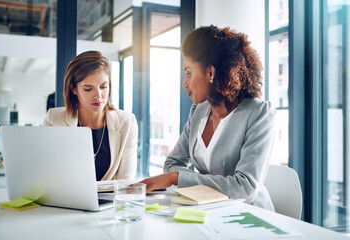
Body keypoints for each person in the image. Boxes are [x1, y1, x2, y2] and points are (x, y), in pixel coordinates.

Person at [141, 25, 276, 210]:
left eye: (188, 73)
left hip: (250, 216)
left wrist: (177, 178)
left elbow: (245, 188)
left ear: (211, 73)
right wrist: (184, 179)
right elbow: (173, 162)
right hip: (208, 211)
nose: (184, 83)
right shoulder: (198, 111)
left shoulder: (259, 113)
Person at [44, 51, 138, 181]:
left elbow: (125, 181)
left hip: (111, 200)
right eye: (88, 89)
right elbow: (49, 173)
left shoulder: (127, 122)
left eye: (103, 87)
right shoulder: (54, 119)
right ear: (73, 88)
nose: (98, 96)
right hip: (68, 199)